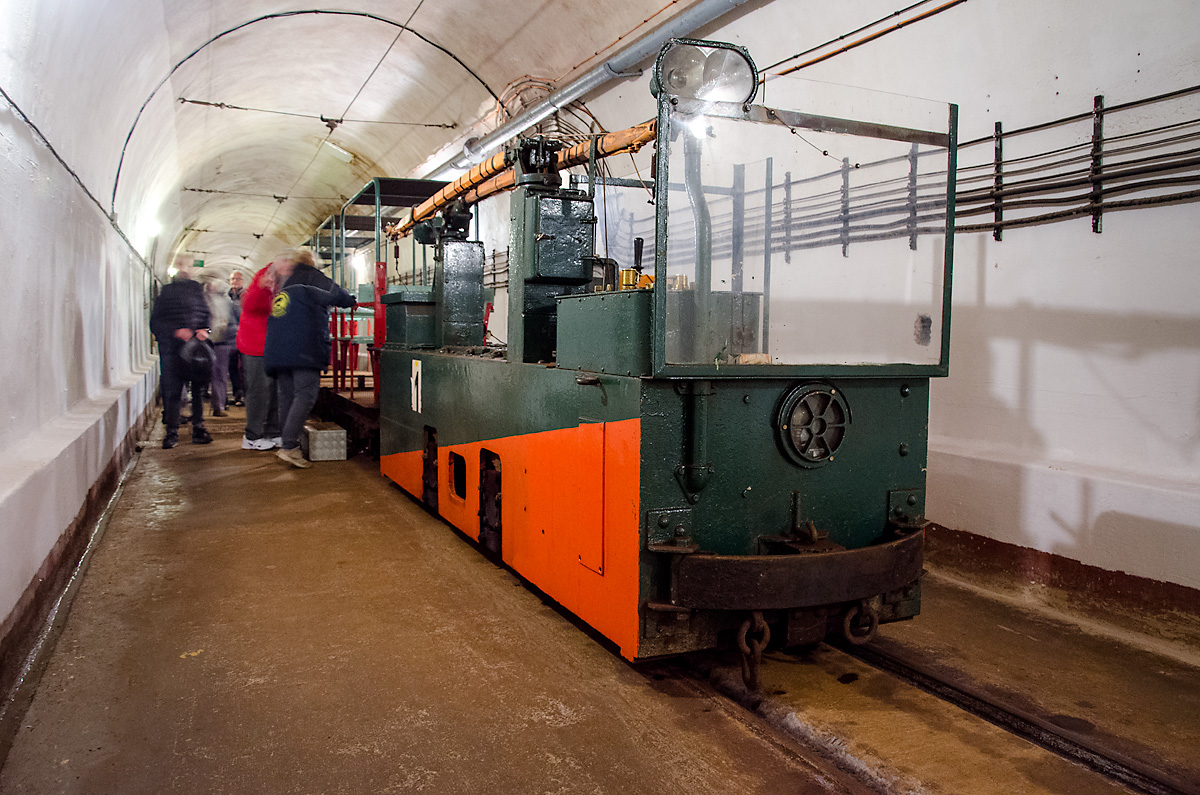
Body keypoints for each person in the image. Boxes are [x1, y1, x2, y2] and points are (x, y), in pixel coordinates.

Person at [264, 249, 354, 468]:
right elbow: (335, 294)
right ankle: (289, 447)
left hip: (279, 350)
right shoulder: (310, 276)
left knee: (286, 397)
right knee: (305, 396)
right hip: (302, 349)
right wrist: (350, 299)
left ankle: (288, 444)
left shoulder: (283, 286)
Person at [149, 263, 212, 448]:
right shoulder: (167, 292)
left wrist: (204, 330)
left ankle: (197, 428)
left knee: (196, 391)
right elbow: (156, 323)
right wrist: (176, 331)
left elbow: (206, 319)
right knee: (173, 391)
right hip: (172, 350)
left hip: (193, 349)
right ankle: (172, 431)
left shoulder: (196, 292)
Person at [237, 262, 282, 450]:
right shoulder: (255, 293)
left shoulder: (275, 293)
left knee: (274, 393)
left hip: (272, 349)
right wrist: (262, 285)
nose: (272, 280)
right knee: (258, 393)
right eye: (269, 276)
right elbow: (250, 303)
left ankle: (273, 432)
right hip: (254, 349)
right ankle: (252, 436)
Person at [204, 277, 235, 416]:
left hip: (221, 342)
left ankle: (219, 405)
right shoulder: (202, 301)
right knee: (208, 375)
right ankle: (202, 407)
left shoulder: (227, 303)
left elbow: (234, 322)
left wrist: (227, 330)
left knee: (219, 374)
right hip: (205, 342)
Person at [227, 271, 245, 406]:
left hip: (245, 337)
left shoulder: (247, 296)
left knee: (245, 367)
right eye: (233, 279)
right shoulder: (226, 297)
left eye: (238, 279)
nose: (235, 281)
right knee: (232, 366)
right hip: (230, 338)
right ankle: (237, 393)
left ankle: (245, 393)